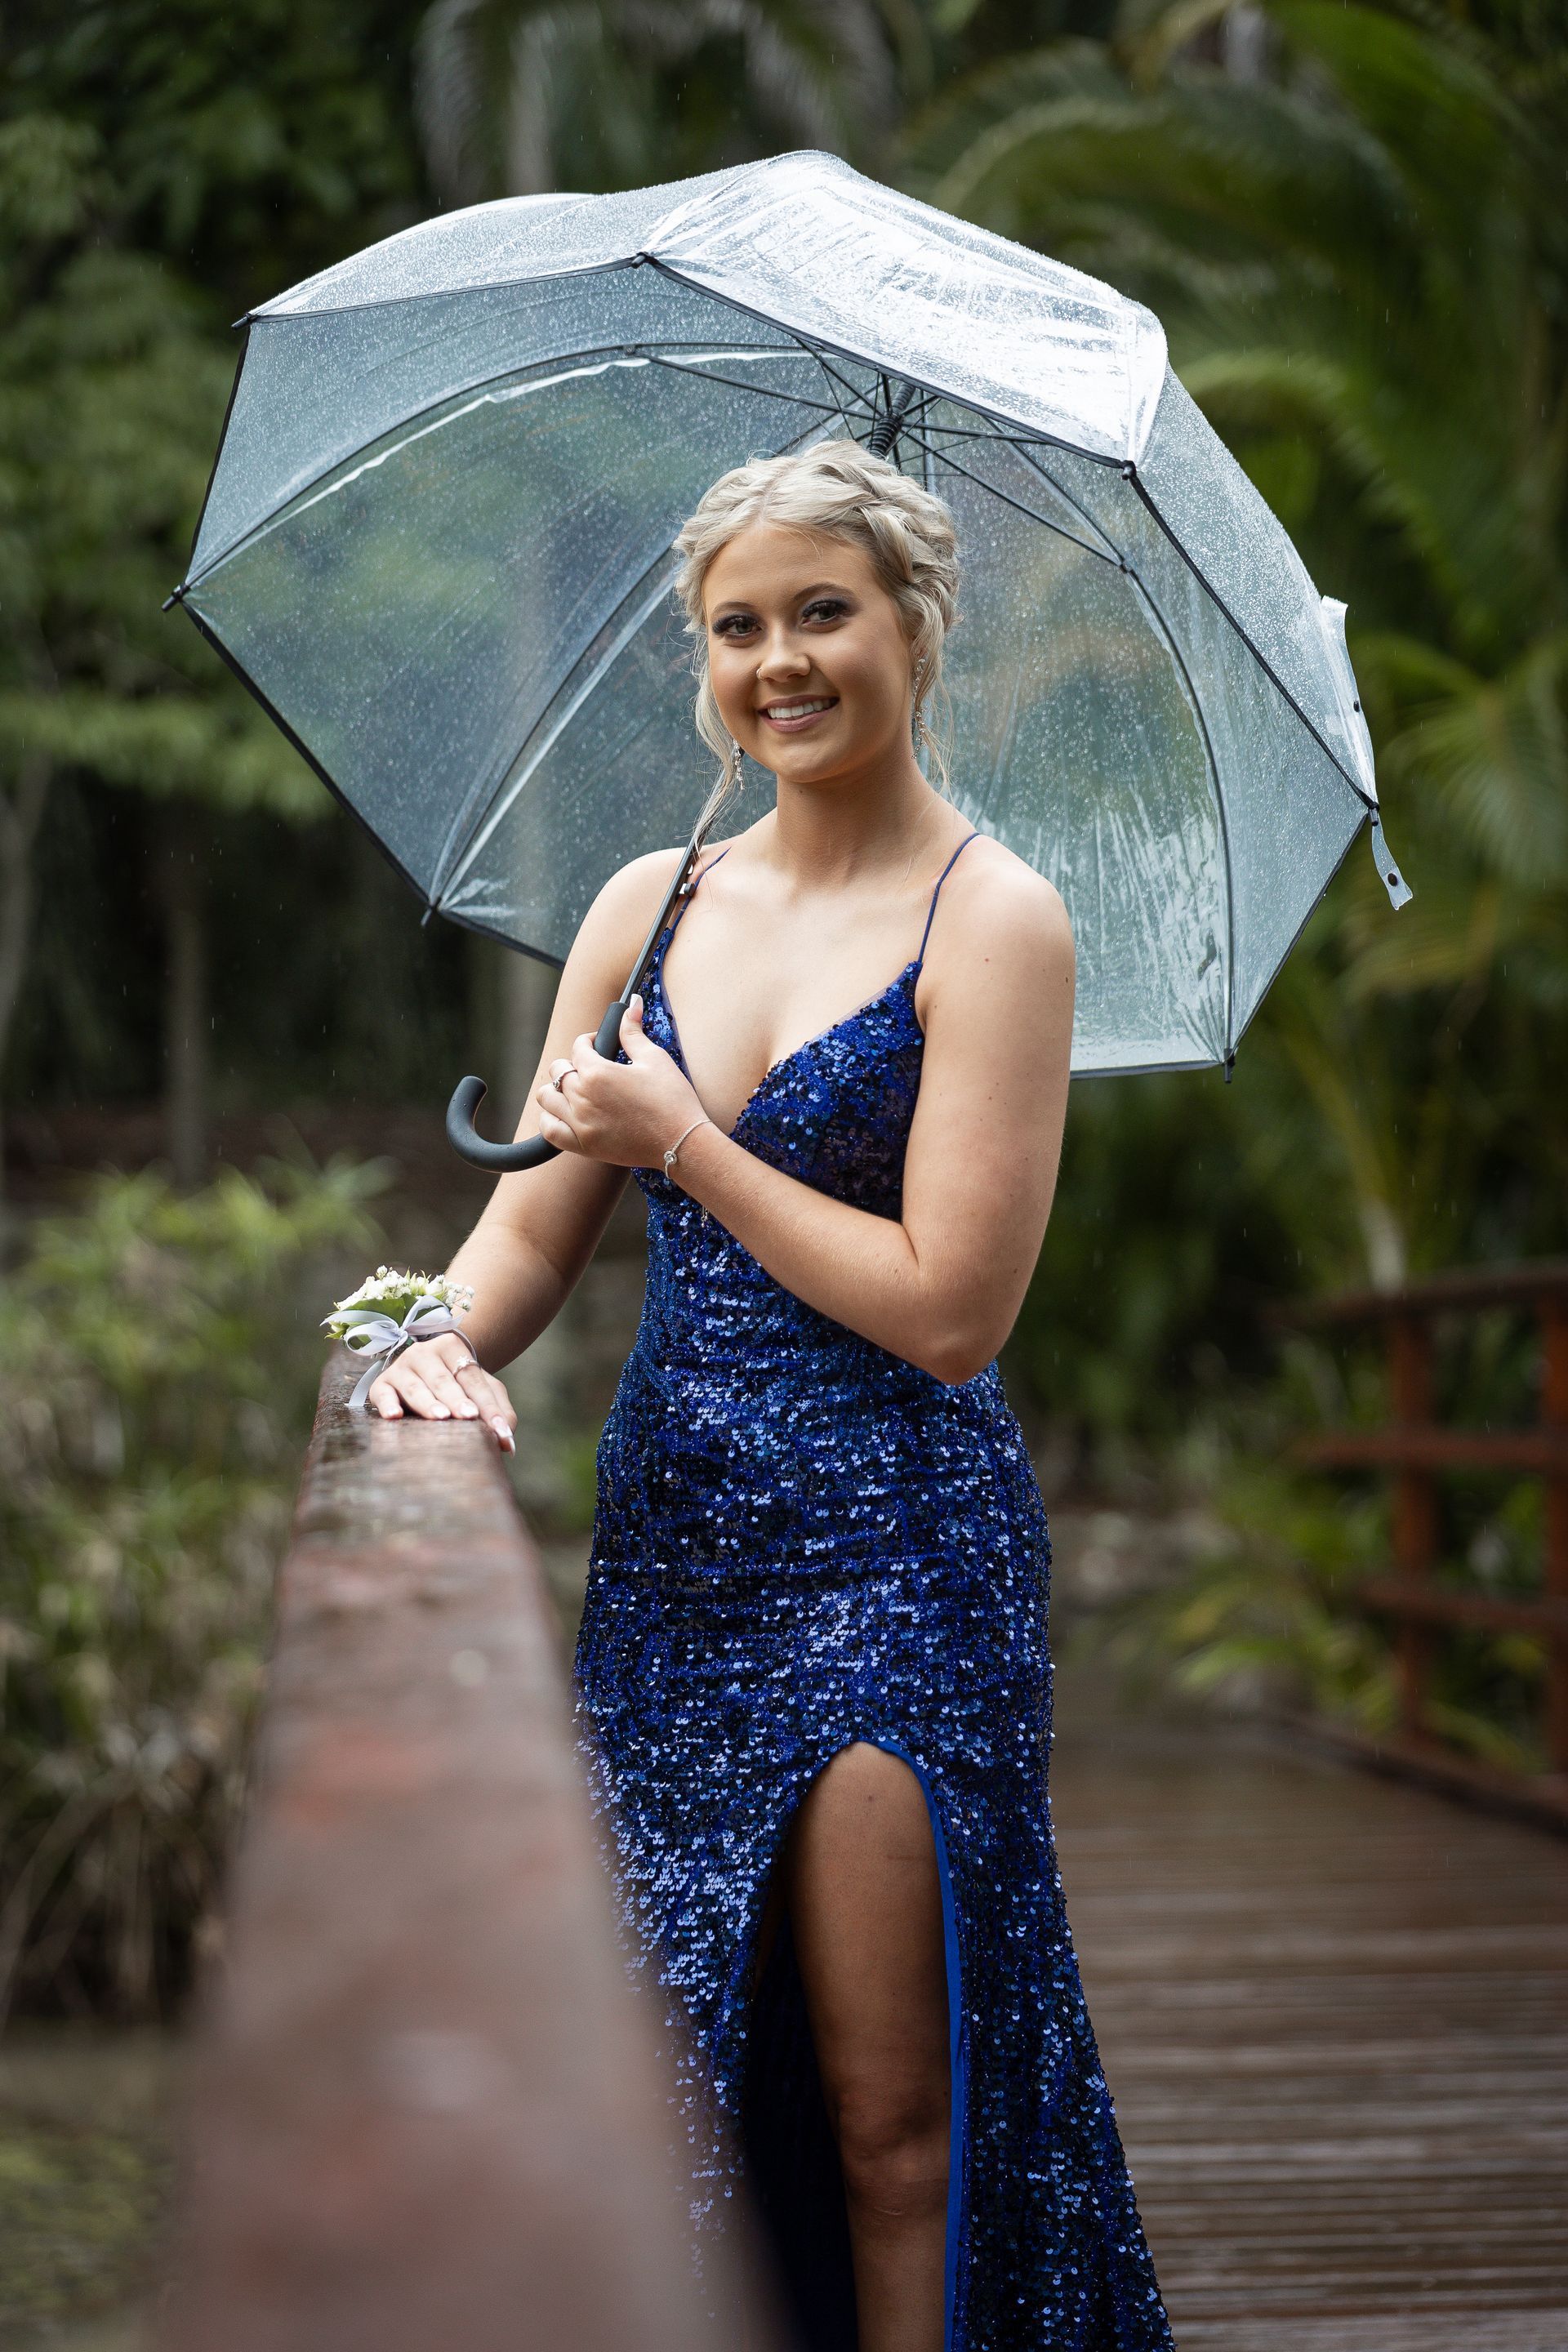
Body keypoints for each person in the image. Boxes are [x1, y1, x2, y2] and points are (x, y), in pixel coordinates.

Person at [366, 442, 1171, 2352]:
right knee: (680, 2086)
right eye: (738, 627)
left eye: (824, 612)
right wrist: (427, 1340)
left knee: (893, 2115)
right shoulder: (647, 907)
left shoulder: (999, 924)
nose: (780, 660)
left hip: (900, 1560)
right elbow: (538, 1233)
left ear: (916, 624)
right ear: (700, 660)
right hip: (678, 1567)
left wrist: (695, 1148)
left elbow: (950, 1312)